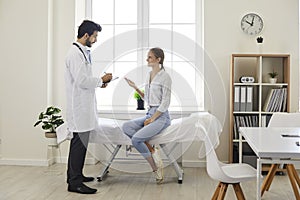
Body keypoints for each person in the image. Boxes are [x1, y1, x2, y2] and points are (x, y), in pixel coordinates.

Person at [64, 20, 112, 194]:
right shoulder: (75, 54)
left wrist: (100, 83)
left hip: (83, 106)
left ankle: (74, 175)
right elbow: (82, 81)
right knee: (79, 143)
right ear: (86, 35)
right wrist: (101, 80)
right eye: (95, 36)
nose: (96, 39)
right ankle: (75, 183)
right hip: (79, 108)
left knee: (79, 143)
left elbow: (84, 79)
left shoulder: (81, 52)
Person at [122, 47, 172, 184]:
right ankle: (151, 149)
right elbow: (149, 100)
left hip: (161, 117)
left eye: (150, 57)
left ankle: (156, 168)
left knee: (137, 139)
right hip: (150, 112)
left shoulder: (165, 77)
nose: (147, 59)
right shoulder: (148, 75)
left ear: (158, 59)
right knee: (126, 126)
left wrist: (152, 119)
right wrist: (135, 87)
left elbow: (165, 103)